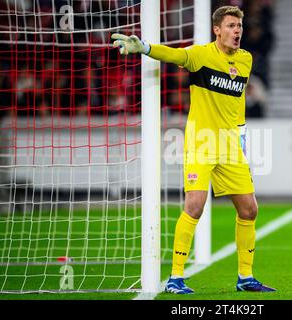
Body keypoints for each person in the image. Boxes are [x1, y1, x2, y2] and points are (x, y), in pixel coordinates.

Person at [111, 6, 275, 294]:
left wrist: (242, 141)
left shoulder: (246, 61)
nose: (237, 31)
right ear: (217, 30)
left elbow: (237, 108)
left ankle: (245, 277)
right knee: (195, 206)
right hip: (200, 143)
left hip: (230, 145)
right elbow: (175, 55)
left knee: (249, 210)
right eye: (231, 25)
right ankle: (175, 277)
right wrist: (145, 47)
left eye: (239, 26)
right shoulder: (201, 55)